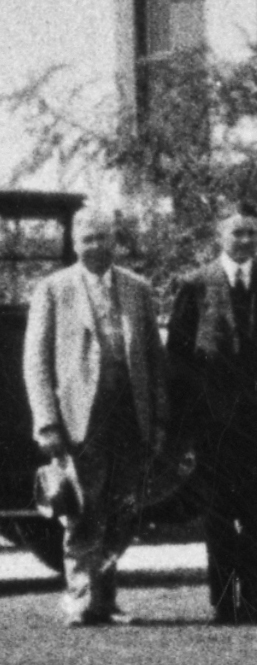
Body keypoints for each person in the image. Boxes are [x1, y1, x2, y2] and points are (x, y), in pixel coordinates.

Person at [23, 207, 167, 626]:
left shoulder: (138, 289)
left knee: (121, 510)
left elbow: (155, 362)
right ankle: (80, 597)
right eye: (87, 239)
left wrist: (158, 421)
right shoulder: (53, 289)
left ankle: (106, 599)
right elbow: (36, 362)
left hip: (130, 417)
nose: (96, 246)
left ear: (115, 242)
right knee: (82, 511)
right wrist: (47, 422)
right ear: (74, 243)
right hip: (78, 420)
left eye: (104, 238)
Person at [167, 203, 257, 624]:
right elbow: (179, 359)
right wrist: (185, 424)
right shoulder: (196, 284)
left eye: (252, 233)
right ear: (220, 235)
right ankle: (223, 604)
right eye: (237, 233)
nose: (245, 241)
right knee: (218, 515)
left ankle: (255, 602)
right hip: (214, 424)